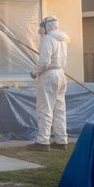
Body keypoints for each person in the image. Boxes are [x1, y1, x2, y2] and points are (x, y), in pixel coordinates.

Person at [28, 16, 70, 152]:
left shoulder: (48, 39)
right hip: (61, 74)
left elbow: (45, 61)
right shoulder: (63, 39)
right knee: (59, 109)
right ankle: (61, 140)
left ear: (48, 26)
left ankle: (43, 141)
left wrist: (34, 72)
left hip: (49, 75)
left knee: (44, 108)